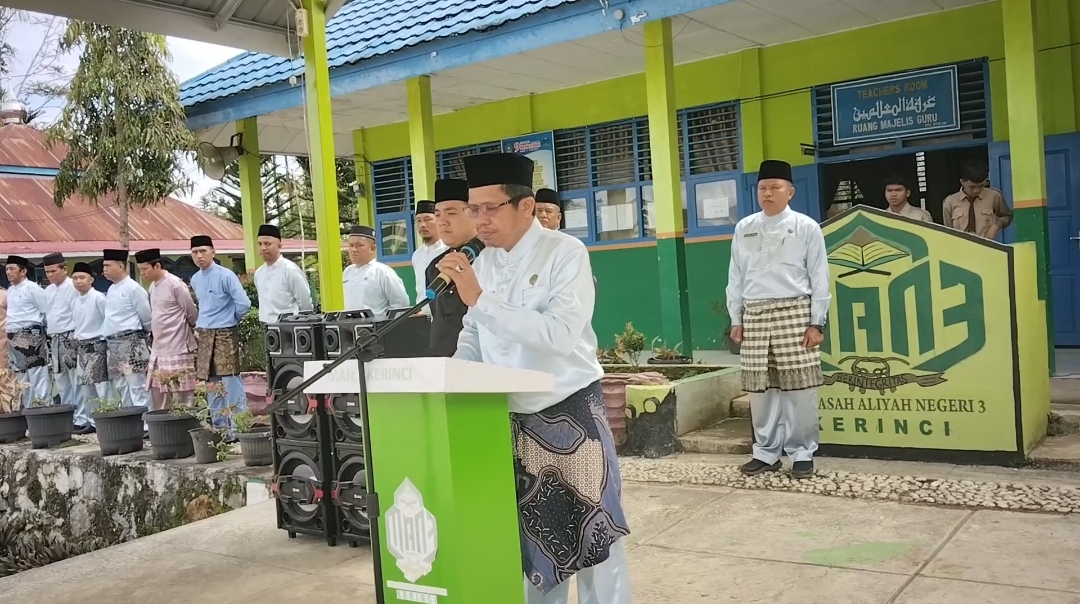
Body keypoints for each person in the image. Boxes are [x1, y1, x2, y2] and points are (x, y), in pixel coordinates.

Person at [439, 152, 631, 604]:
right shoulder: (484, 262)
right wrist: (456, 372)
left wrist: (480, 299)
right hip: (509, 417)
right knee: (534, 539)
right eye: (473, 209)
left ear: (525, 206)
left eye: (490, 208)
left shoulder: (565, 253)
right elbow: (473, 332)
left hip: (570, 411)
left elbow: (560, 335)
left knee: (594, 536)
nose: (480, 220)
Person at [726, 159, 831, 480]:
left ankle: (802, 453)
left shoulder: (807, 227)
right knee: (761, 391)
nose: (767, 194)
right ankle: (766, 452)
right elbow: (735, 276)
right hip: (755, 315)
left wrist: (817, 322)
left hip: (794, 314)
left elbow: (819, 276)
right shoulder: (744, 227)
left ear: (790, 192)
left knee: (800, 390)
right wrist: (736, 318)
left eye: (775, 188)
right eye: (762, 188)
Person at [189, 235, 252, 433]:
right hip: (205, 334)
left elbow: (244, 303)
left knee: (231, 381)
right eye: (195, 252)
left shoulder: (226, 275)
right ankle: (220, 428)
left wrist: (230, 320)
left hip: (225, 333)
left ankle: (239, 427)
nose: (199, 256)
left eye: (203, 251)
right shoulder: (195, 279)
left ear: (213, 252)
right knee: (211, 383)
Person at [426, 178, 483, 357]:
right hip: (440, 360)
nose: (442, 222)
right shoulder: (435, 265)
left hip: (479, 361)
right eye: (437, 215)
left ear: (473, 214)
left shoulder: (490, 259)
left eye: (451, 213)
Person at [137, 249, 198, 410]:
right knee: (159, 392)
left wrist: (192, 330)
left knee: (182, 393)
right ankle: (162, 422)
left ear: (157, 266)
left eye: (145, 269)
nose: (142, 273)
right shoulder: (152, 286)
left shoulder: (175, 284)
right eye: (140, 270)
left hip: (178, 346)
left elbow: (191, 312)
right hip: (159, 349)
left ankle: (185, 421)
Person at [101, 248, 153, 410]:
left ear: (120, 266)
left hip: (131, 341)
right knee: (122, 386)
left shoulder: (133, 288)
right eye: (104, 266)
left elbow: (147, 316)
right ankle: (129, 420)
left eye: (108, 266)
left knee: (137, 385)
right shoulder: (112, 289)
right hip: (114, 343)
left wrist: (142, 337)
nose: (104, 270)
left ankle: (145, 421)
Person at [4, 255, 50, 408]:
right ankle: (28, 409)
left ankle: (43, 407)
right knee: (21, 376)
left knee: (37, 373)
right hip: (13, 336)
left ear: (23, 271)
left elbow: (45, 310)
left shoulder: (32, 288)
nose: (8, 272)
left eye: (12, 269)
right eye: (7, 269)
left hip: (31, 335)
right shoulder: (10, 290)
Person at [71, 262, 112, 432]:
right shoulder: (75, 301)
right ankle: (92, 421)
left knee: (101, 385)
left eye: (82, 277)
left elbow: (108, 320)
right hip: (81, 346)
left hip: (97, 344)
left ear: (91, 279)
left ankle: (107, 417)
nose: (78, 281)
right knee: (86, 386)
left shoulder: (98, 298)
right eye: (75, 278)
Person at [43, 253, 82, 423]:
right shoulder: (48, 290)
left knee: (75, 378)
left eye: (53, 271)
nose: (50, 275)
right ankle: (68, 417)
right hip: (55, 338)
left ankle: (81, 418)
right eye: (47, 272)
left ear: (64, 268)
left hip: (70, 336)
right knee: (60, 379)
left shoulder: (73, 287)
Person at [342, 225, 410, 315]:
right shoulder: (347, 272)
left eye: (359, 245)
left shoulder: (382, 272)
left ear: (372, 249)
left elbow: (401, 305)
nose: (354, 250)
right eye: (351, 245)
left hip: (377, 323)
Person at [253, 224, 313, 324]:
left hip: (289, 326)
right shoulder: (258, 273)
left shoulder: (290, 270)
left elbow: (305, 304)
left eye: (267, 244)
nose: (263, 248)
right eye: (260, 244)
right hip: (266, 326)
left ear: (279, 246)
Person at [941, 159, 1013, 239]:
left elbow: (1007, 216)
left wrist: (995, 226)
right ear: (962, 182)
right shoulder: (950, 202)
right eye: (972, 187)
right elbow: (948, 232)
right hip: (961, 245)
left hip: (986, 244)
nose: (977, 190)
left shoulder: (994, 196)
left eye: (981, 186)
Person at [410, 201, 447, 315]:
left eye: (427, 219)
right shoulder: (417, 255)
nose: (422, 225)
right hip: (423, 316)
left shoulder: (448, 251)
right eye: (418, 220)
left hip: (445, 316)